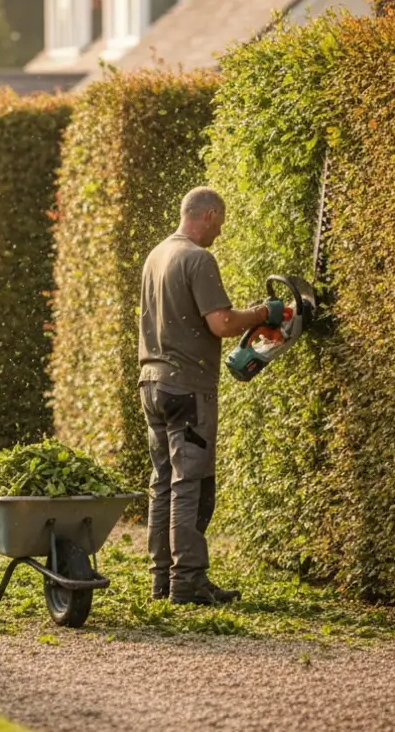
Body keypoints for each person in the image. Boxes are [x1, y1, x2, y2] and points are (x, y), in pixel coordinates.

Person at [138, 186, 283, 605]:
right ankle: (188, 581)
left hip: (151, 382)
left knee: (162, 480)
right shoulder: (198, 259)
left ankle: (161, 579)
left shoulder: (157, 255)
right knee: (191, 483)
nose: (219, 232)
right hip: (187, 387)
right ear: (209, 215)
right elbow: (220, 323)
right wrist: (260, 314)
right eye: (219, 223)